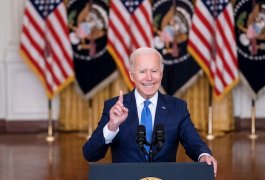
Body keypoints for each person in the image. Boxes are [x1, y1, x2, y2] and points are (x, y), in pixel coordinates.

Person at [83, 47, 217, 176]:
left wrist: (204, 156)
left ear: (161, 74)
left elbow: (193, 142)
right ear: (132, 75)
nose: (149, 77)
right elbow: (90, 154)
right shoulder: (114, 107)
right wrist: (112, 127)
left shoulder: (177, 107)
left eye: (154, 71)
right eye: (142, 71)